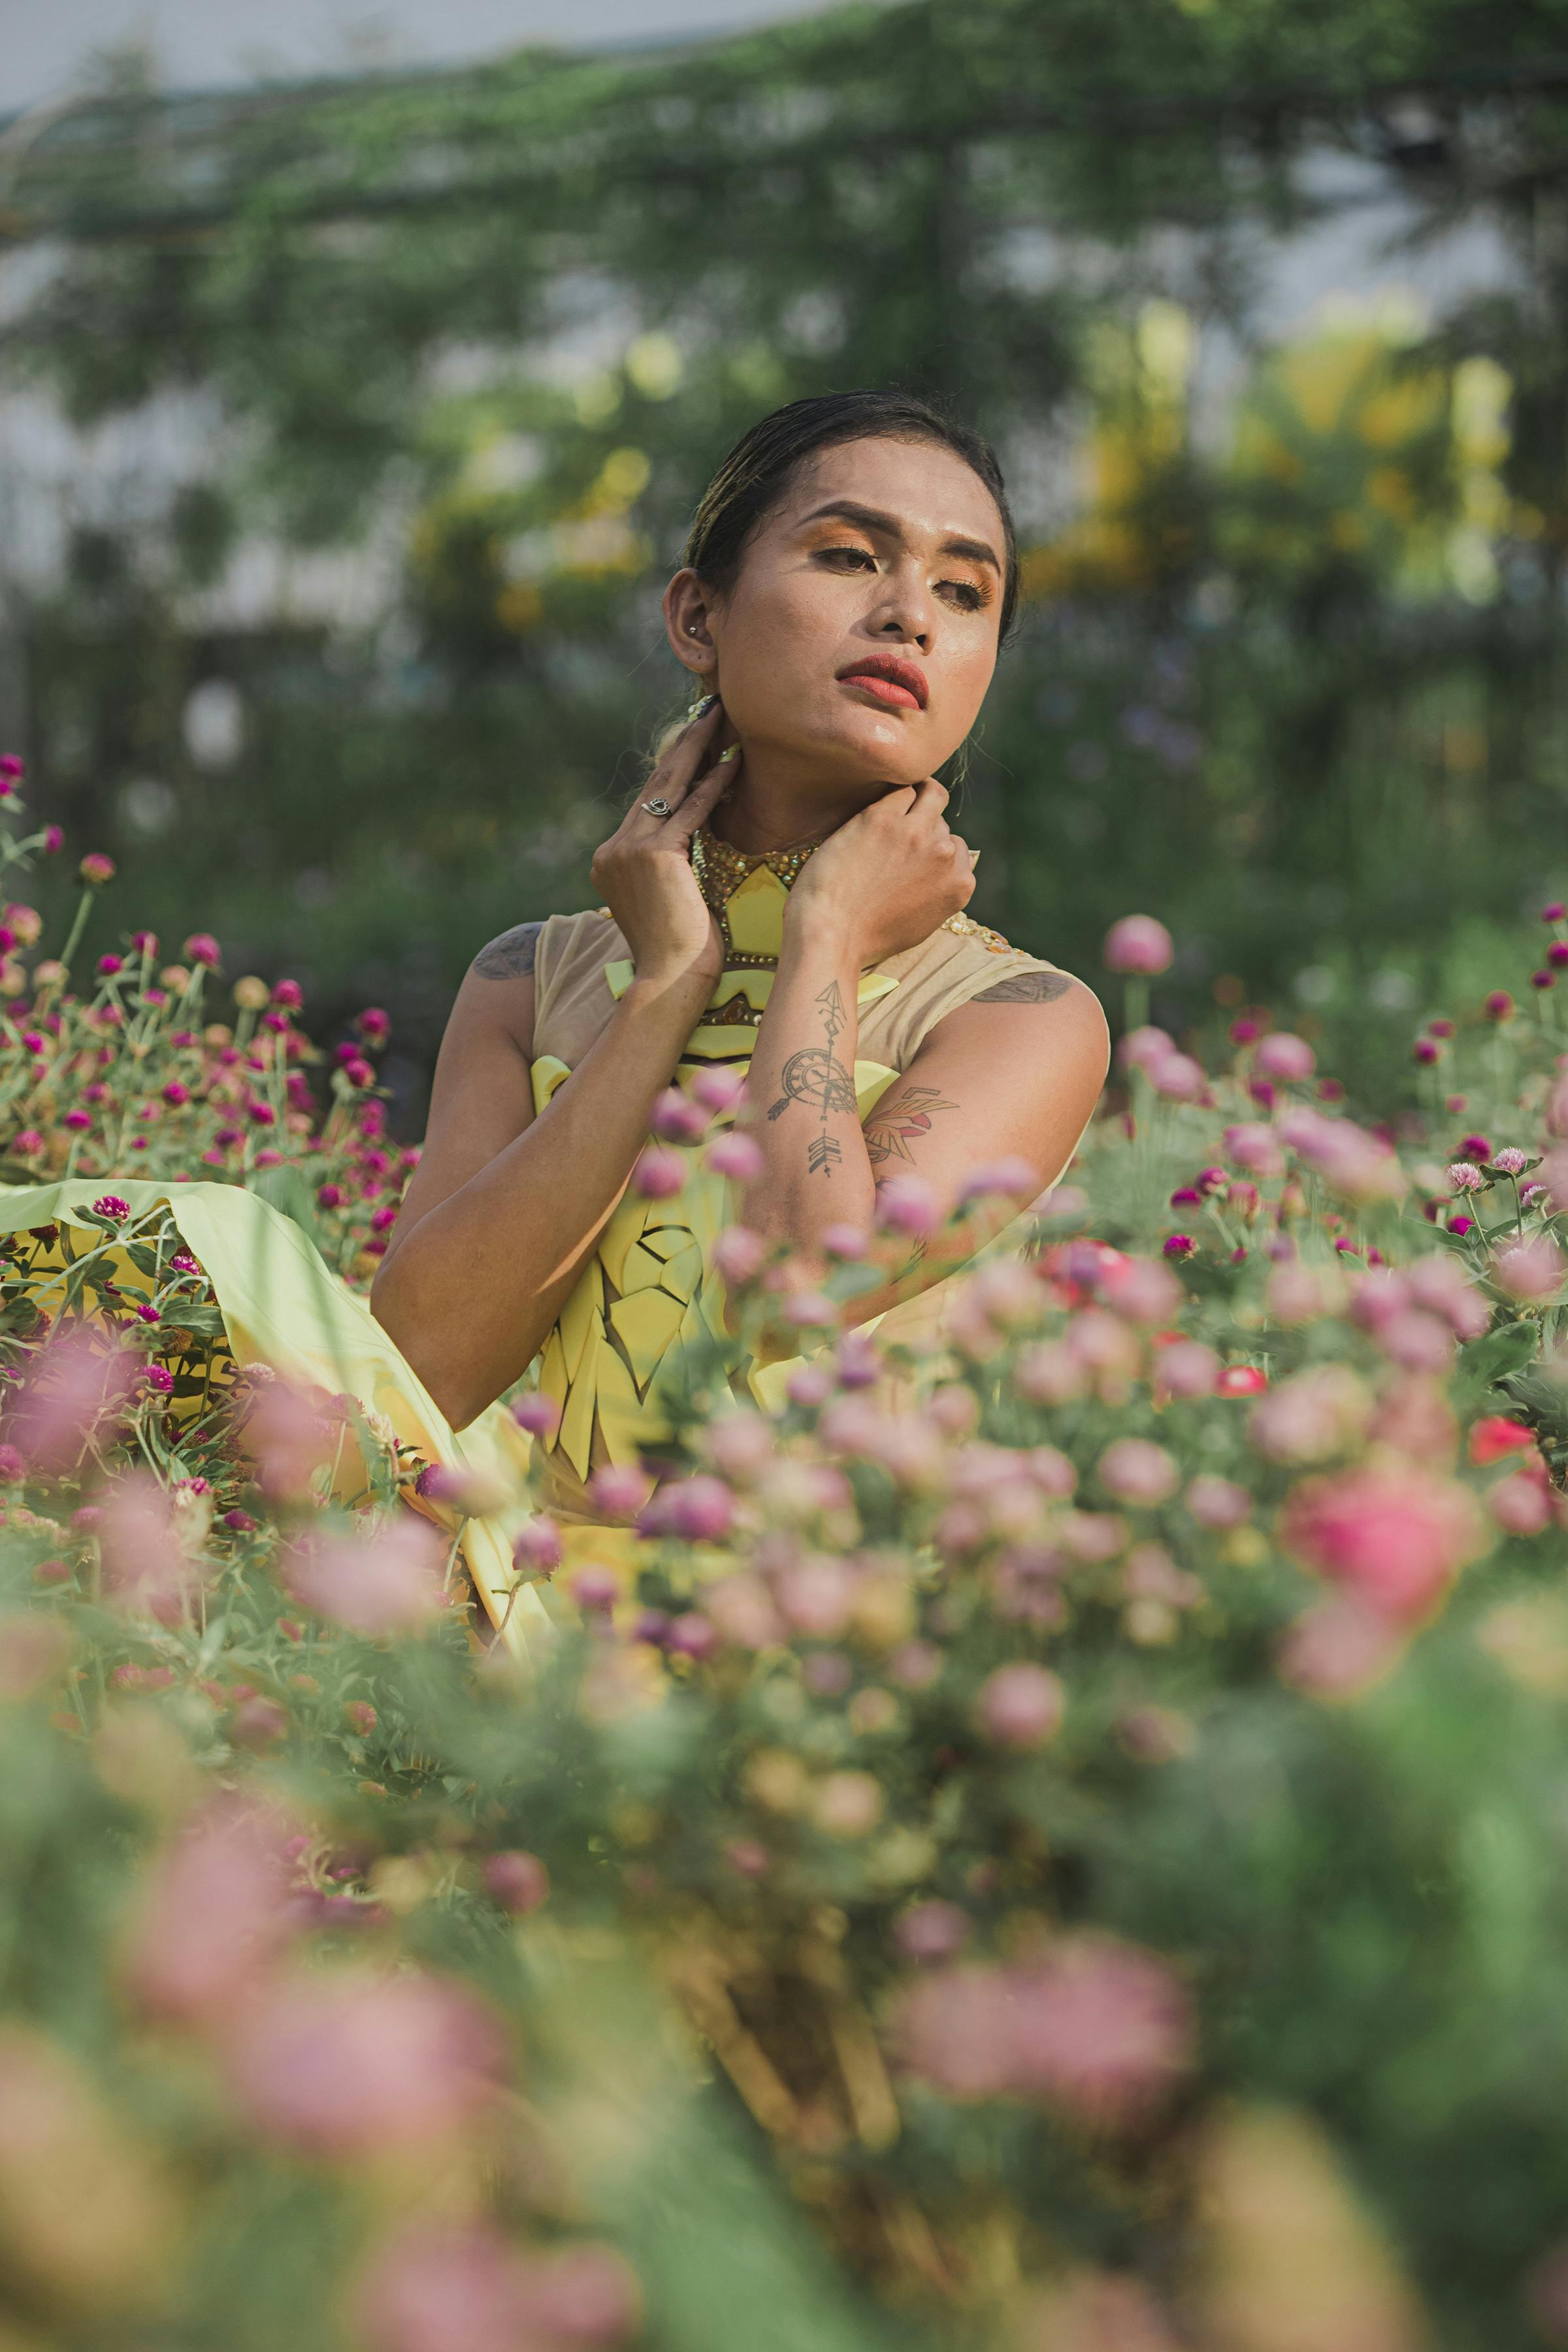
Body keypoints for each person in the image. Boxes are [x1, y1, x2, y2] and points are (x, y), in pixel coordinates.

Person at [369, 391, 1109, 1563]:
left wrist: (823, 937)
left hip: (816, 1669)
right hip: (524, 1635)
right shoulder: (527, 980)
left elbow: (801, 1287)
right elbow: (425, 1363)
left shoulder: (1020, 1019)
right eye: (849, 556)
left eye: (964, 591)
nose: (910, 614)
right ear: (697, 616)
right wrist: (666, 982)